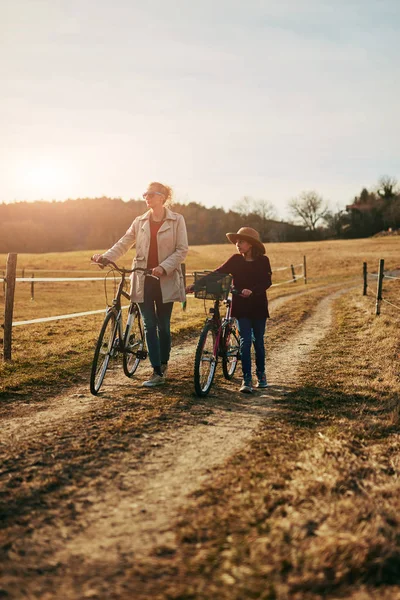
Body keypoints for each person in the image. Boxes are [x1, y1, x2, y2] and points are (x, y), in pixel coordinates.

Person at [92, 182, 188, 387]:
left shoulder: (177, 220)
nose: (147, 197)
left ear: (162, 197)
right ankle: (156, 372)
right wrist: (106, 257)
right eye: (145, 194)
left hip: (165, 279)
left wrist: (163, 267)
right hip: (143, 279)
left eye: (151, 194)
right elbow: (124, 242)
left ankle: (163, 364)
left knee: (163, 325)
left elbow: (181, 250)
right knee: (149, 324)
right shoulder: (140, 221)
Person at [188, 227, 272, 394]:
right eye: (236, 242)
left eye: (241, 241)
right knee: (245, 341)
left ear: (251, 244)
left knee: (259, 342)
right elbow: (217, 273)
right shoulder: (235, 260)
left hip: (258, 306)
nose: (237, 244)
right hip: (240, 307)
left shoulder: (263, 260)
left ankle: (261, 374)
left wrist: (253, 290)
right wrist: (195, 285)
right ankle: (246, 379)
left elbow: (266, 281)